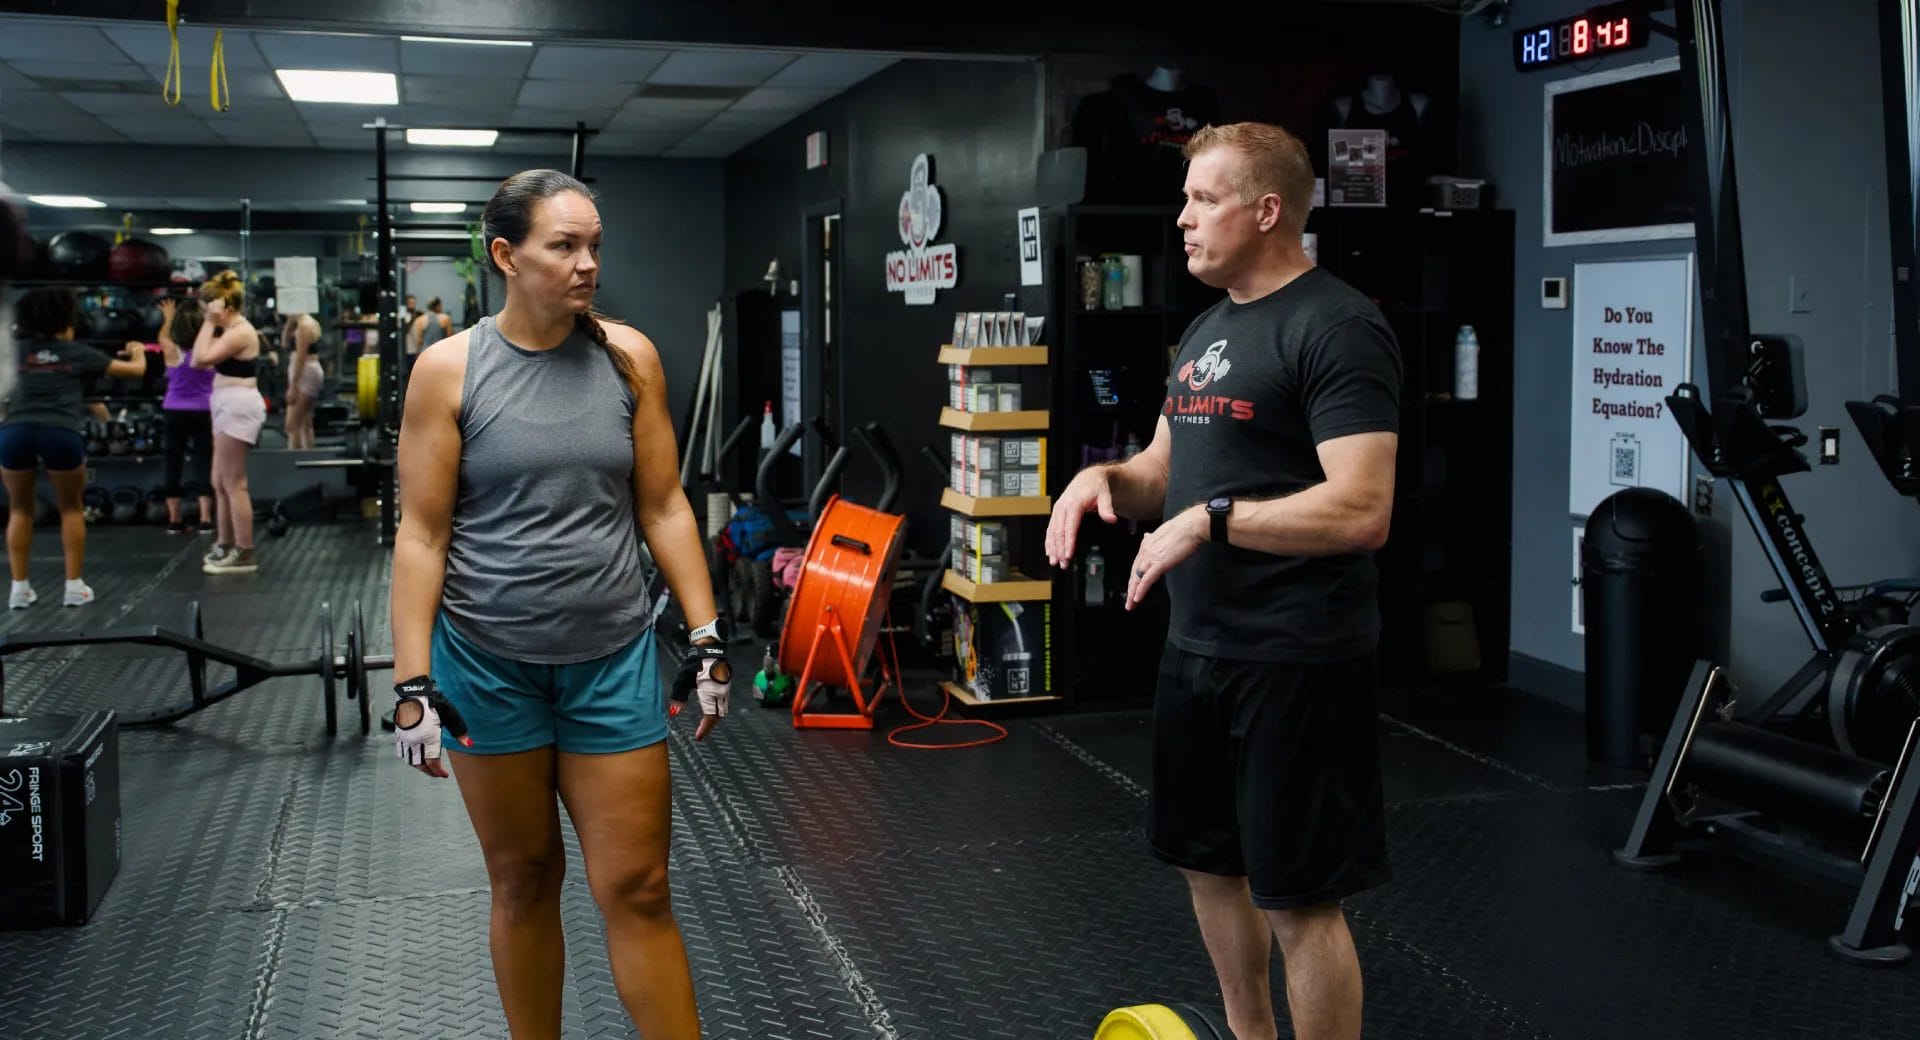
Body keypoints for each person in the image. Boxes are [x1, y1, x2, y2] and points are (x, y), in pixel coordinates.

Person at [1045, 122, 1401, 1040]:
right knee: (1209, 866)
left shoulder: (1339, 326)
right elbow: (1166, 469)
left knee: (1299, 897)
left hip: (1298, 654)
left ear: (1268, 209)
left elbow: (1363, 509)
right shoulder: (1208, 328)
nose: (1183, 220)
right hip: (1198, 649)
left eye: (1204, 200)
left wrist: (1217, 520)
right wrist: (1105, 480)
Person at [389, 168, 733, 1040]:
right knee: (524, 879)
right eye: (563, 246)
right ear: (507, 255)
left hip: (612, 656)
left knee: (639, 888)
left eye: (594, 246)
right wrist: (411, 683)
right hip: (486, 663)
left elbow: (662, 506)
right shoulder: (447, 371)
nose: (587, 265)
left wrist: (705, 635)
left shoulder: (630, 357)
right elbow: (422, 536)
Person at [0, 287, 148, 608]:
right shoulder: (76, 352)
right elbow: (136, 371)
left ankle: (19, 590)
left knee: (19, 508)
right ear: (64, 322)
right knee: (71, 507)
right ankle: (73, 587)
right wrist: (137, 351)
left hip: (15, 431)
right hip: (59, 430)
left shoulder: (12, 353)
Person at [189, 268, 263, 574]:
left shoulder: (241, 332)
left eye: (212, 311)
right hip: (224, 404)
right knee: (218, 481)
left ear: (227, 309)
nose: (208, 316)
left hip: (238, 405)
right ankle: (225, 542)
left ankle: (245, 550)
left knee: (234, 483)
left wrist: (208, 322)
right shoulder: (229, 329)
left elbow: (198, 360)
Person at [157, 296, 216, 534]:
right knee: (204, 462)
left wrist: (169, 317)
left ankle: (175, 520)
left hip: (174, 412)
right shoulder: (210, 349)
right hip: (204, 411)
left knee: (173, 464)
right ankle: (205, 519)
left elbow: (162, 337)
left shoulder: (171, 349)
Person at [282, 311, 324, 450]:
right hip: (304, 372)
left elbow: (301, 357)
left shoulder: (305, 326)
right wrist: (289, 322)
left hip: (305, 373)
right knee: (305, 422)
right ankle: (307, 456)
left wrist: (293, 386)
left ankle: (294, 463)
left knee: (292, 423)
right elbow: (284, 343)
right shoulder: (298, 324)